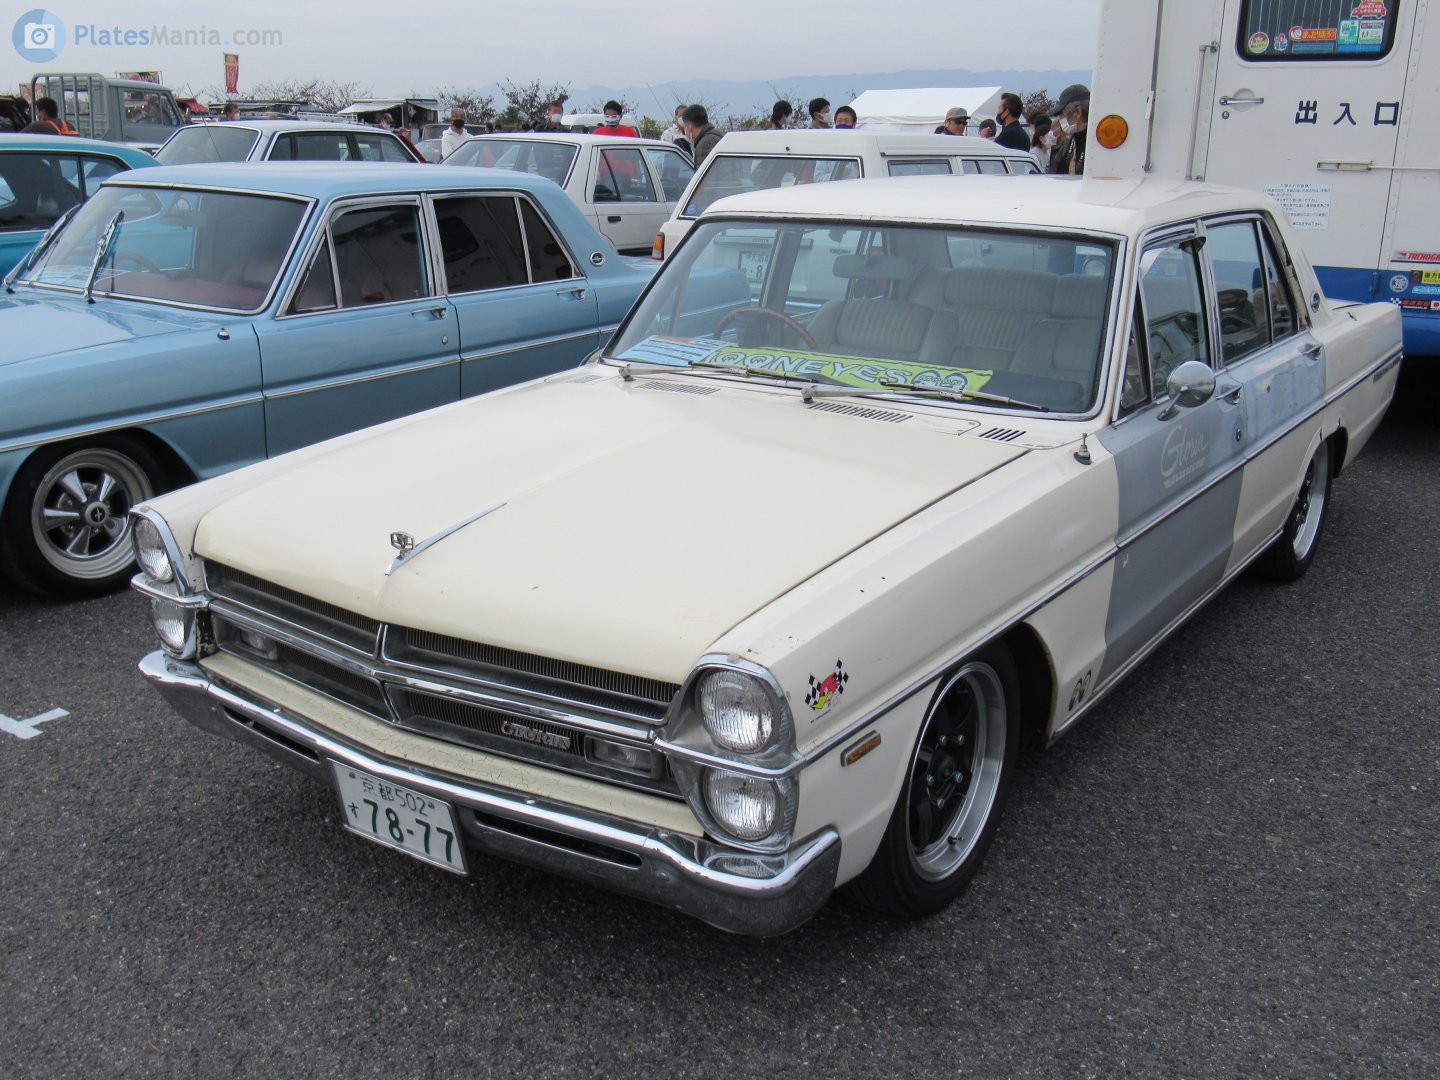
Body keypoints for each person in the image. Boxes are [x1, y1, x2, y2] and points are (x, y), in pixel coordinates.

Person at [1048, 84, 1090, 175]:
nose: (1060, 119)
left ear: (1078, 112)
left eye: (1062, 114)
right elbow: (1056, 174)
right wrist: (1055, 146)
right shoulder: (1071, 142)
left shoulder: (1095, 145)